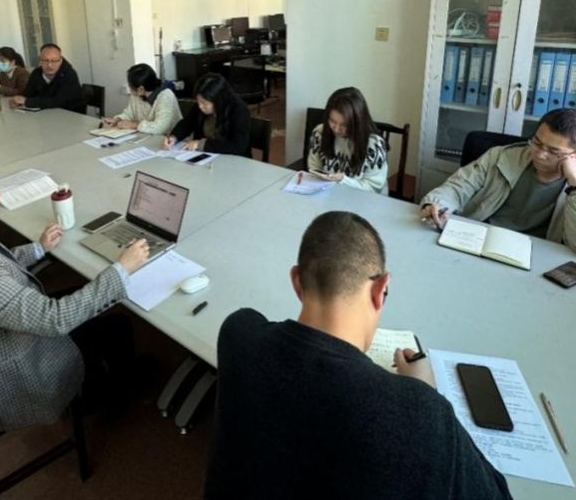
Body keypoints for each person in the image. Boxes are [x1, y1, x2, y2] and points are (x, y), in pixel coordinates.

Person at [205, 211, 512, 500]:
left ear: (297, 282)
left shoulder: (237, 334)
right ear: (380, 290)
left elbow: (254, 321)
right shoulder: (420, 413)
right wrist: (425, 391)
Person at [0, 149, 150, 446]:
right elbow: (55, 320)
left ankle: (98, 381)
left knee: (84, 304)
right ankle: (106, 397)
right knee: (117, 326)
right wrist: (121, 269)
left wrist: (38, 248)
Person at [420, 108, 576, 258]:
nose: (539, 154)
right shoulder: (499, 157)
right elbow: (456, 188)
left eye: (553, 151)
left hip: (537, 257)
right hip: (479, 243)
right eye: (537, 142)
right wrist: (436, 204)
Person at [306, 86, 388, 193]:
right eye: (332, 121)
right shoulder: (320, 132)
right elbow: (314, 169)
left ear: (357, 122)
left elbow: (374, 188)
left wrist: (343, 180)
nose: (336, 129)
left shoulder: (374, 145)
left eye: (344, 125)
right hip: (329, 192)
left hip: (364, 197)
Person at [163, 73, 250, 156]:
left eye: (204, 103)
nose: (200, 106)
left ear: (218, 100)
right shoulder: (201, 105)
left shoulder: (238, 109)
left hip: (232, 159)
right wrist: (174, 137)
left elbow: (237, 145)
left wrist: (201, 144)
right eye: (198, 101)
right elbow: (187, 123)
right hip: (205, 156)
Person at [101, 63, 181, 135]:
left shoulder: (166, 96)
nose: (129, 88)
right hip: (145, 136)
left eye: (130, 86)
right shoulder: (137, 94)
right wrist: (117, 119)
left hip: (168, 140)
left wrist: (134, 125)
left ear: (141, 89)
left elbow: (160, 128)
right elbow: (130, 113)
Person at [10, 43, 87, 113]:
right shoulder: (36, 73)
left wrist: (27, 101)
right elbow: (28, 94)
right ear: (40, 60)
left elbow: (59, 101)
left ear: (60, 61)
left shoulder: (69, 74)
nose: (49, 65)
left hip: (71, 114)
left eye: (54, 61)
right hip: (46, 113)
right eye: (45, 60)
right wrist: (18, 101)